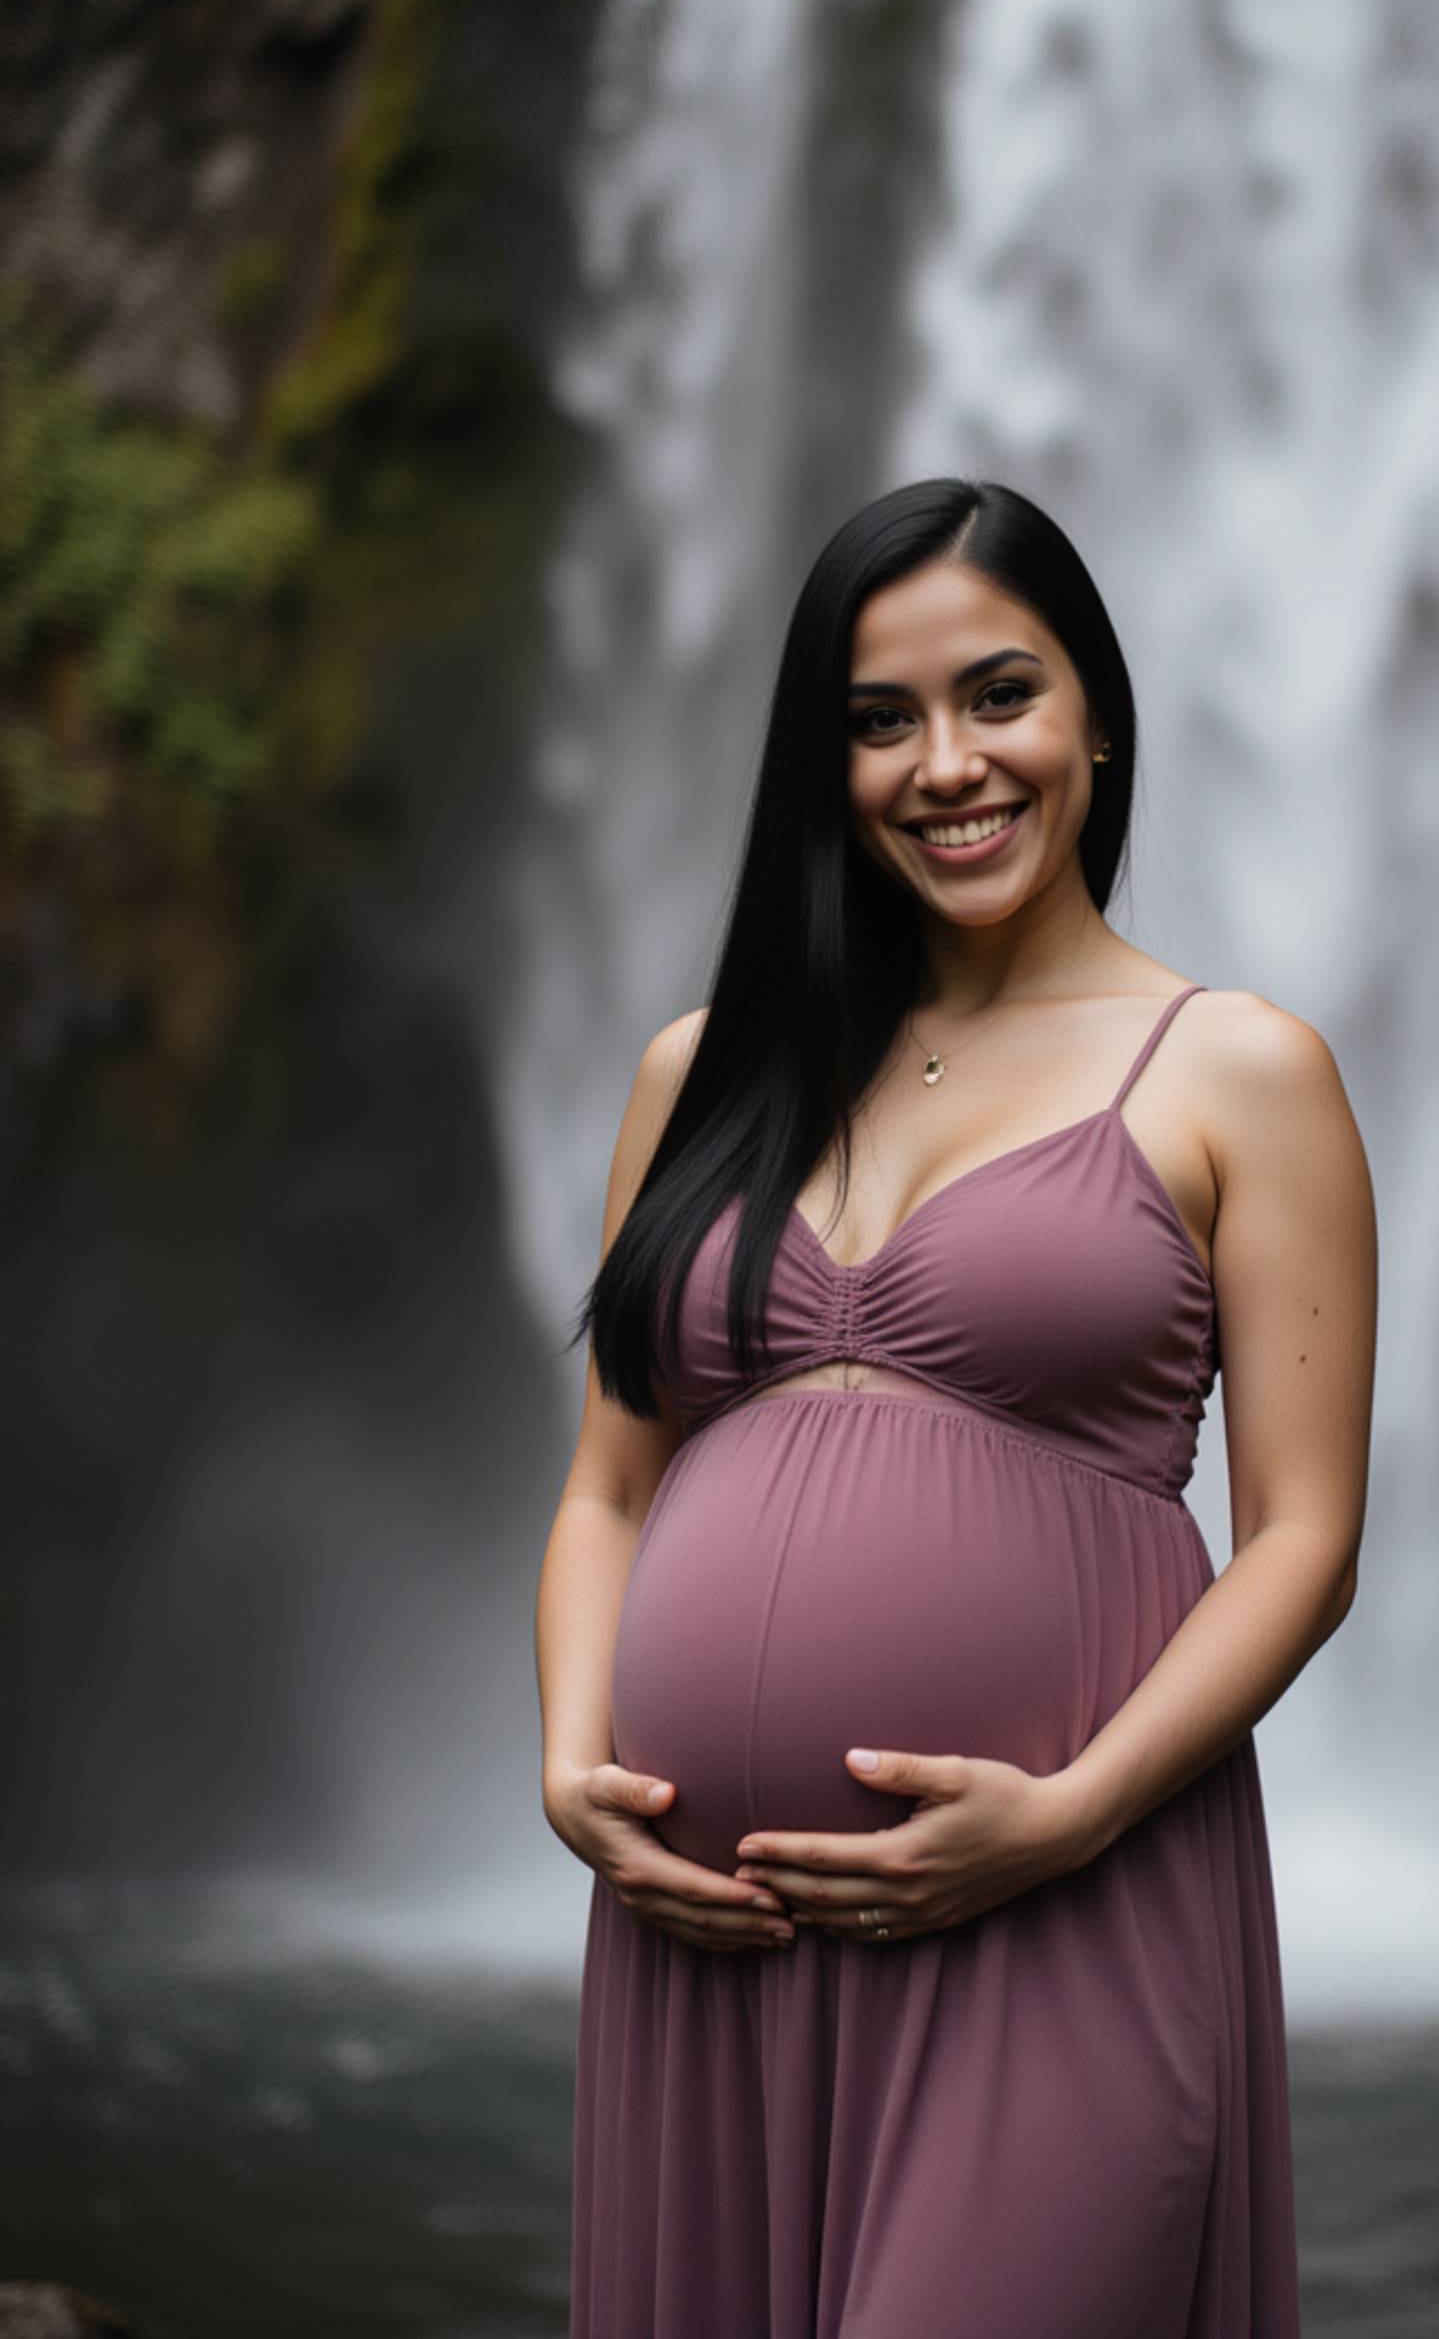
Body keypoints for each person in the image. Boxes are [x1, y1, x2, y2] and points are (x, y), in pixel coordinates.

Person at [537, 475, 1376, 2338]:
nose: (948, 764)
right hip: (702, 1945)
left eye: (1000, 694)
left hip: (1052, 1907)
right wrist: (572, 1766)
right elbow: (608, 1491)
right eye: (878, 719)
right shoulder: (705, 1073)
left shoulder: (1240, 1070)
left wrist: (1068, 1814)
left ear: (1098, 714)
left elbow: (1306, 1542)